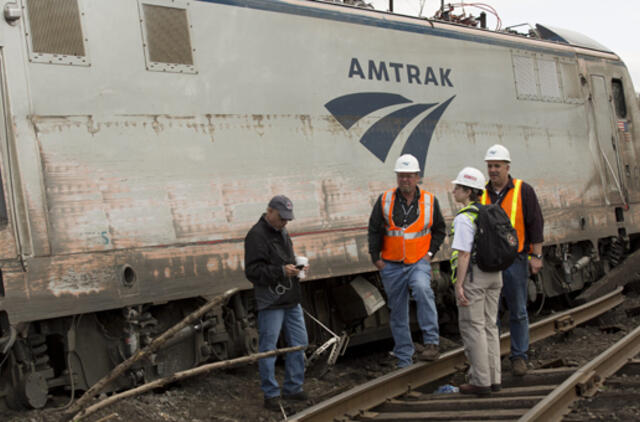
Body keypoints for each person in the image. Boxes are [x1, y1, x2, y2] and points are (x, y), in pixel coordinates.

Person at [368, 154, 446, 367]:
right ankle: (404, 357)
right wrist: (376, 259)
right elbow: (374, 229)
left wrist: (430, 254)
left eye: (409, 176)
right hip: (391, 264)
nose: (405, 180)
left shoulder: (429, 201)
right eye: (401, 176)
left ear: (417, 177)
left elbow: (439, 229)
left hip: (418, 261)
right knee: (397, 310)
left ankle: (431, 343)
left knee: (422, 290)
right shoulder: (385, 200)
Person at [482, 144, 544, 376]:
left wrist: (536, 255)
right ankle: (493, 359)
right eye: (490, 166)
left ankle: (519, 356)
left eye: (497, 166)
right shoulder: (482, 192)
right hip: (488, 262)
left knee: (517, 310)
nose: (493, 170)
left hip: (515, 259)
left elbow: (535, 223)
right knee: (491, 312)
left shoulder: (522, 190)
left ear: (507, 167)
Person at [244, 195, 309, 411]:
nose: (284, 223)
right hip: (271, 300)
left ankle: (293, 387)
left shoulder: (281, 230)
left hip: (289, 296)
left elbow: (280, 260)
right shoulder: (256, 235)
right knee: (268, 348)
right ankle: (271, 394)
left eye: (287, 220)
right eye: (281, 218)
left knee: (299, 342)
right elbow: (252, 272)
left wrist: (295, 268)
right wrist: (282, 271)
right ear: (269, 212)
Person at [449, 167, 503, 396]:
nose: (453, 191)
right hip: (495, 276)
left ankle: (480, 381)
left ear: (468, 191)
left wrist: (459, 284)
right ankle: (494, 378)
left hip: (474, 277)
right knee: (490, 327)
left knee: (473, 328)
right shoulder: (490, 212)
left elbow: (463, 255)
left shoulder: (464, 218)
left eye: (457, 188)